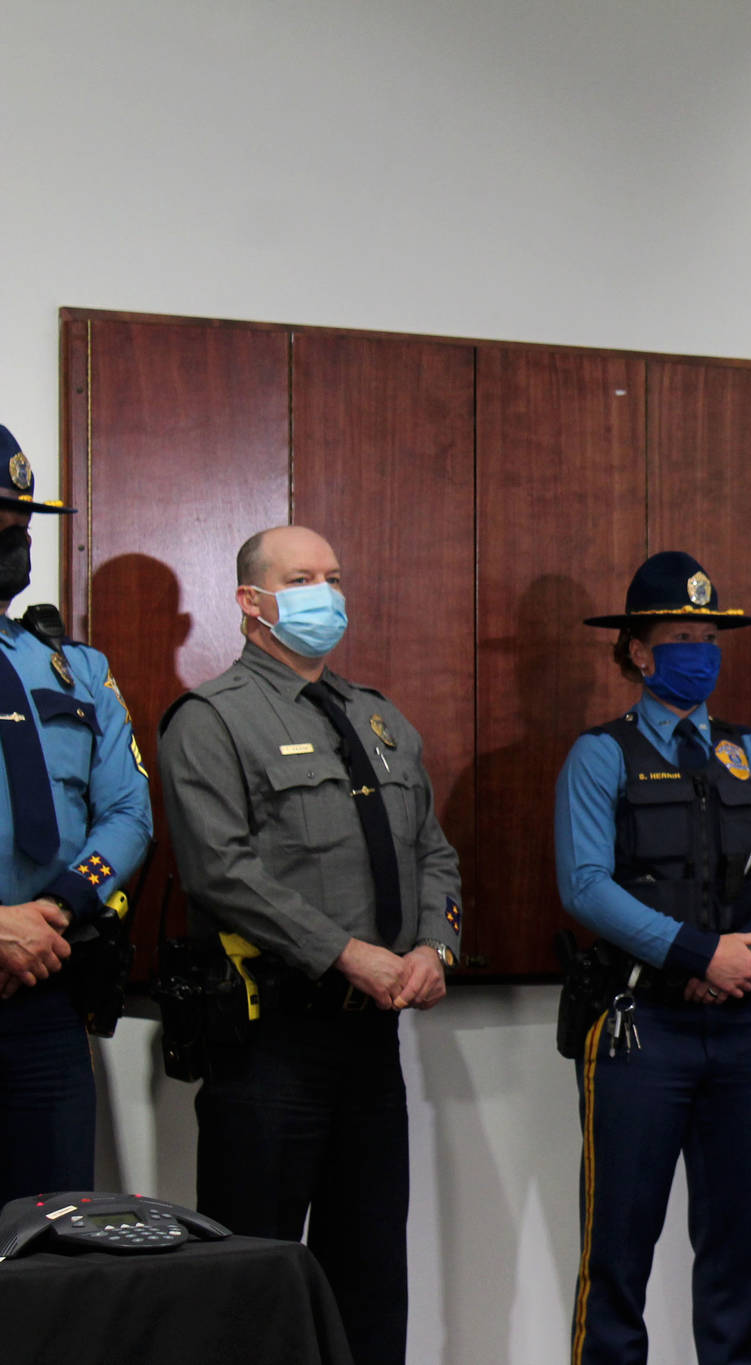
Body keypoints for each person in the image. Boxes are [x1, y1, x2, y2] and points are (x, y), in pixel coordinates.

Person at [157, 525, 462, 1365]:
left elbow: (433, 849)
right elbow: (221, 870)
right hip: (269, 1044)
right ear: (252, 602)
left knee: (370, 1278)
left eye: (333, 574)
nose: (325, 594)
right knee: (251, 1281)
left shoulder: (378, 718)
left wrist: (436, 946)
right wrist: (346, 953)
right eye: (301, 578)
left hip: (370, 1041)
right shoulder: (211, 720)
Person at [555, 551, 751, 1365]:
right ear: (639, 650)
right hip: (642, 1032)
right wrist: (700, 952)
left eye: (708, 635)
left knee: (743, 1257)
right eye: (680, 635)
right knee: (618, 1256)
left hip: (746, 1031)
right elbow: (585, 885)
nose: (698, 650)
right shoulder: (600, 754)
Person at [0, 426, 151, 1203]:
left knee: (52, 1247)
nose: (11, 545)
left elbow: (128, 812)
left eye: (19, 529)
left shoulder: (73, 666)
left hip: (43, 996)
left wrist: (53, 911)